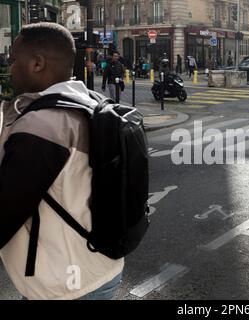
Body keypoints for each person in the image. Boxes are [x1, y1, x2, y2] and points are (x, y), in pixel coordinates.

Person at [0, 22, 123, 300]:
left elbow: (5, 211)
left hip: (65, 286)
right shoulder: (91, 102)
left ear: (37, 63)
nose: (10, 67)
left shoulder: (43, 125)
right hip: (101, 266)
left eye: (14, 59)